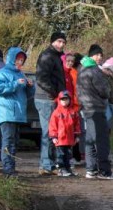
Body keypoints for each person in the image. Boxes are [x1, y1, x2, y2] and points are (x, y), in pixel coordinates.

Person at [78, 44, 113, 180]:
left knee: (89, 140)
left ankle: (91, 169)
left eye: (101, 55)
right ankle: (104, 171)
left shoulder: (82, 69)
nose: (100, 58)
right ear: (91, 55)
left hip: (86, 109)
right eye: (97, 55)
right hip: (96, 108)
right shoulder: (95, 71)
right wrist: (107, 92)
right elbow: (104, 91)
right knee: (101, 140)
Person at [0, 47, 35, 178]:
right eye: (18, 59)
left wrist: (30, 86)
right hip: (6, 113)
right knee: (8, 141)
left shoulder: (21, 74)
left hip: (18, 114)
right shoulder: (2, 72)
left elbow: (27, 95)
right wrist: (15, 84)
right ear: (12, 59)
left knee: (15, 142)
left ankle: (11, 168)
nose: (20, 62)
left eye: (22, 60)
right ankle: (7, 169)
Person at [35, 31, 67, 176]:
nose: (61, 44)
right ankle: (46, 165)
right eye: (59, 41)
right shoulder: (47, 56)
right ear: (53, 42)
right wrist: (55, 93)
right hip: (46, 98)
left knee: (53, 132)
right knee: (49, 132)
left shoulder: (59, 56)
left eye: (63, 42)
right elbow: (41, 78)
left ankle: (49, 164)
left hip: (53, 98)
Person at [48, 90, 81, 177]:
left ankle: (68, 169)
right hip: (60, 139)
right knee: (60, 155)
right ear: (59, 100)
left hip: (69, 139)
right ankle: (61, 169)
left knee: (68, 155)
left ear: (70, 100)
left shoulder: (73, 112)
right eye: (62, 99)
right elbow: (52, 126)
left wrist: (77, 135)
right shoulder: (56, 112)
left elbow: (77, 125)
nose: (64, 101)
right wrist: (54, 137)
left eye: (66, 99)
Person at [61, 52, 82, 164]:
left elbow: (76, 90)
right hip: (65, 105)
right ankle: (67, 157)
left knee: (73, 131)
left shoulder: (73, 73)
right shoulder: (63, 73)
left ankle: (72, 156)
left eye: (71, 61)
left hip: (74, 105)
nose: (69, 63)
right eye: (68, 61)